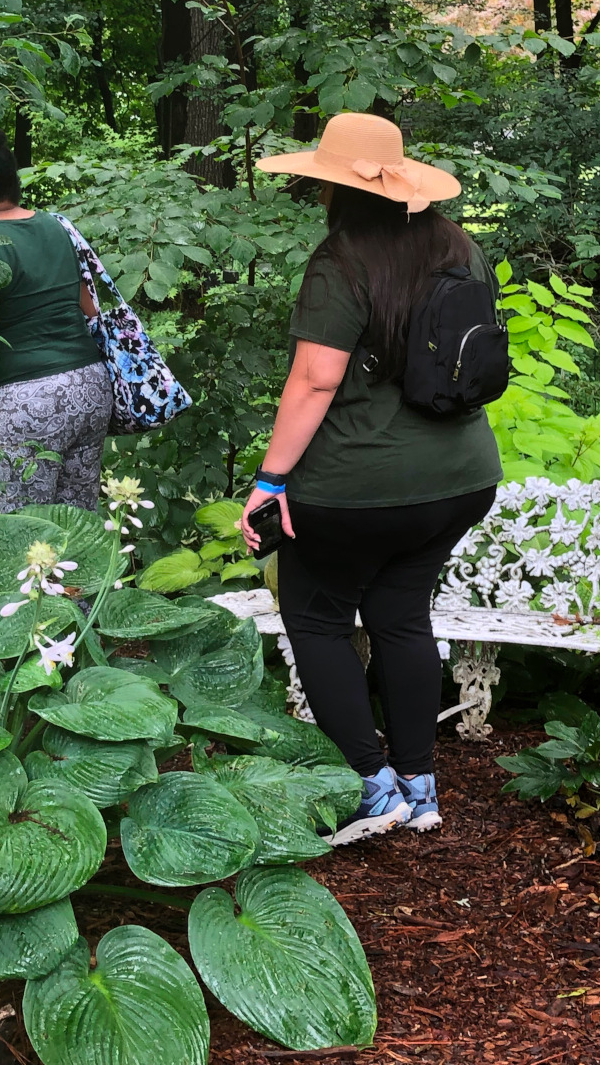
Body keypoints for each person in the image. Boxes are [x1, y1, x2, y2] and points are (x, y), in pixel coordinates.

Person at [241, 112, 502, 845]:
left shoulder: (343, 260)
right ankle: (420, 789)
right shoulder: (459, 247)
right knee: (401, 614)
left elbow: (315, 381)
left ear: (334, 189)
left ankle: (370, 785)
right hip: (460, 479)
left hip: (358, 489)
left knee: (317, 617)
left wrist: (270, 481)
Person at [0, 125, 112, 511]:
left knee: (25, 534)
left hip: (29, 403)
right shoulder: (59, 227)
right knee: (76, 528)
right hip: (90, 387)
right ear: (13, 182)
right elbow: (90, 309)